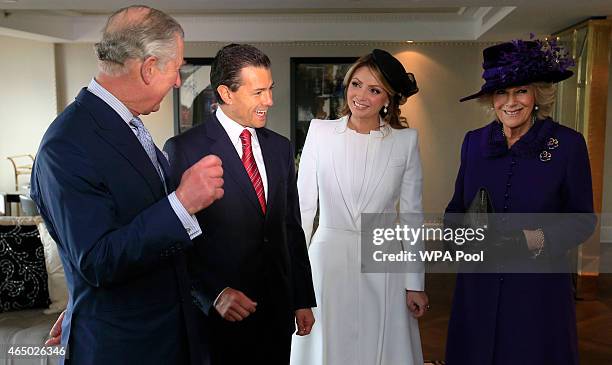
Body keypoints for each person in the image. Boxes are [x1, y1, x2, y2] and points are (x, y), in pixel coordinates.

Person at [30, 6, 223, 364]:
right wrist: (182, 202)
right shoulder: (67, 144)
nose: (179, 81)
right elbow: (97, 260)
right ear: (149, 68)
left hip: (166, 340)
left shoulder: (125, 125)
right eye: (176, 68)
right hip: (123, 349)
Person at [163, 43, 317, 365]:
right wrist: (212, 294)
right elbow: (174, 241)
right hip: (218, 318)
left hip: (276, 312)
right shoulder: (184, 150)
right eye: (258, 92)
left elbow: (290, 228)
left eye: (270, 89)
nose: (269, 101)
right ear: (226, 93)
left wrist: (302, 298)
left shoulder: (281, 148)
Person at [445, 39, 596, 364]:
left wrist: (531, 239)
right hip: (478, 286)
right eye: (502, 93)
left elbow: (583, 220)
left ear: (538, 95)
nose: (511, 102)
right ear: (491, 99)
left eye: (521, 91)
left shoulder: (567, 145)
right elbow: (455, 209)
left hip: (537, 289)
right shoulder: (474, 142)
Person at [290, 49, 429, 365]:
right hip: (326, 262)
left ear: (388, 99)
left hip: (383, 262)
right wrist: (296, 281)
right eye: (356, 84)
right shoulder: (320, 133)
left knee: (380, 347)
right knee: (326, 346)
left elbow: (411, 218)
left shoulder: (405, 142)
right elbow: (303, 212)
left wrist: (414, 284)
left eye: (374, 89)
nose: (361, 96)